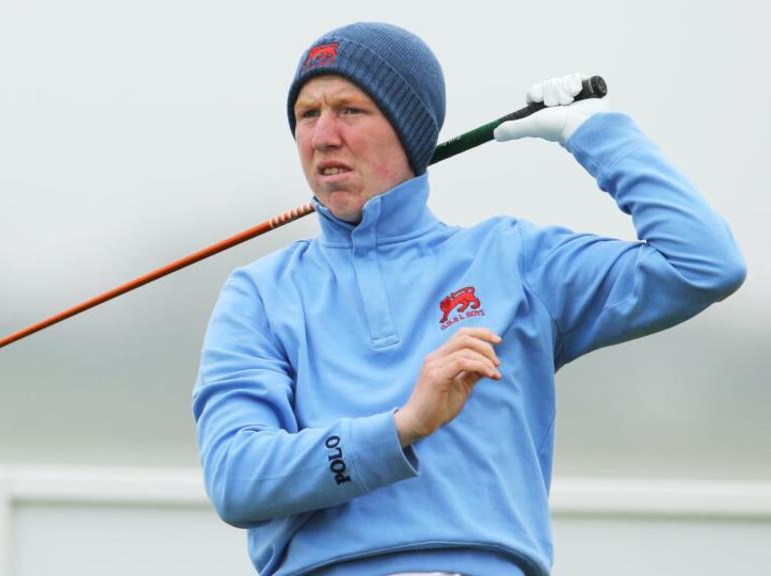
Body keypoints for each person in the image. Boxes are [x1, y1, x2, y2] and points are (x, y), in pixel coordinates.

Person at [191, 22, 746, 576]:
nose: (322, 136)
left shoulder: (513, 259)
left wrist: (595, 133)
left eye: (350, 111)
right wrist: (402, 427)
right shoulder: (260, 293)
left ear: (409, 131)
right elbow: (238, 480)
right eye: (307, 115)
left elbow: (704, 264)